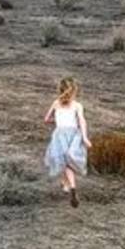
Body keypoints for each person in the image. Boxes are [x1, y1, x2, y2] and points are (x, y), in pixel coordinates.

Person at [43, 76, 91, 207]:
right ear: (74, 91)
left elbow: (46, 119)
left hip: (60, 134)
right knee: (69, 159)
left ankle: (70, 185)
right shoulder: (77, 105)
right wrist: (85, 137)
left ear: (60, 90)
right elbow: (82, 120)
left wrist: (57, 121)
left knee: (62, 159)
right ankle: (69, 185)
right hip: (74, 134)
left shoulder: (56, 103)